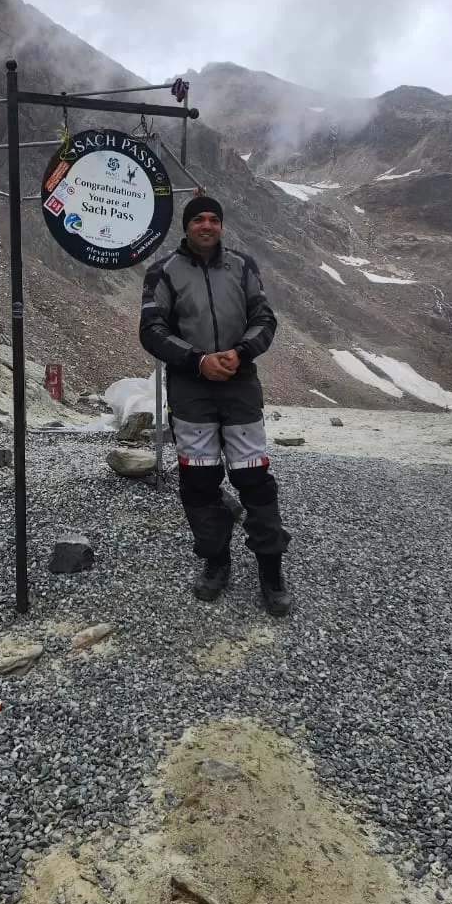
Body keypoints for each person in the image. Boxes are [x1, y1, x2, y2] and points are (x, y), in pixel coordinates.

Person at [139, 194, 292, 616]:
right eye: (198, 220)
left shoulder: (243, 266)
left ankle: (271, 569)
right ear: (186, 226)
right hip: (191, 389)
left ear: (221, 226)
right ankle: (216, 560)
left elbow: (265, 318)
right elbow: (151, 329)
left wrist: (240, 353)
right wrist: (198, 361)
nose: (207, 226)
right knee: (199, 483)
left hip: (240, 383)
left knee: (254, 479)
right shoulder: (163, 272)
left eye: (214, 219)